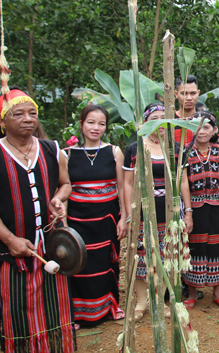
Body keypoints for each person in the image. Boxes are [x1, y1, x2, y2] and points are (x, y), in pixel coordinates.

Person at [0, 89, 75, 352]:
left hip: (52, 246)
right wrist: (9, 239)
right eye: (19, 114)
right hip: (13, 250)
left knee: (56, 309)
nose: (28, 119)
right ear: (2, 120)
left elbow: (66, 184)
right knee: (18, 312)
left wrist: (59, 199)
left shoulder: (52, 149)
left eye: (33, 113)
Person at [123, 102, 192, 320]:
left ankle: (159, 301)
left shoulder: (176, 149)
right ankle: (141, 303)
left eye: (165, 117)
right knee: (143, 257)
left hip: (169, 213)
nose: (161, 121)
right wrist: (128, 214)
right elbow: (126, 184)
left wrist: (187, 211)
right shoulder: (134, 149)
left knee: (166, 257)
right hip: (143, 212)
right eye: (155, 117)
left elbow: (183, 182)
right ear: (145, 121)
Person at [66, 104, 127, 325]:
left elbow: (121, 187)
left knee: (105, 264)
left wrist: (124, 217)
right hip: (78, 221)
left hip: (106, 219)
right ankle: (78, 314)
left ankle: (108, 307)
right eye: (91, 122)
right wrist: (63, 225)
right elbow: (64, 190)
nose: (96, 128)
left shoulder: (113, 152)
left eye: (101, 124)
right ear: (81, 124)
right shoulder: (67, 154)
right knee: (79, 265)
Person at [182, 111, 219, 310]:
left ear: (214, 130)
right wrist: (187, 211)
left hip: (217, 206)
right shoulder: (185, 151)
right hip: (195, 208)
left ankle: (217, 293)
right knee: (194, 248)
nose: (201, 131)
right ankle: (193, 293)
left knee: (217, 247)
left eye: (206, 127)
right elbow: (183, 181)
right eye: (197, 126)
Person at [174, 75, 201, 144]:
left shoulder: (204, 120)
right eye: (184, 93)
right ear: (176, 94)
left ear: (198, 93)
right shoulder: (169, 120)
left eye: (193, 93)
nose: (189, 98)